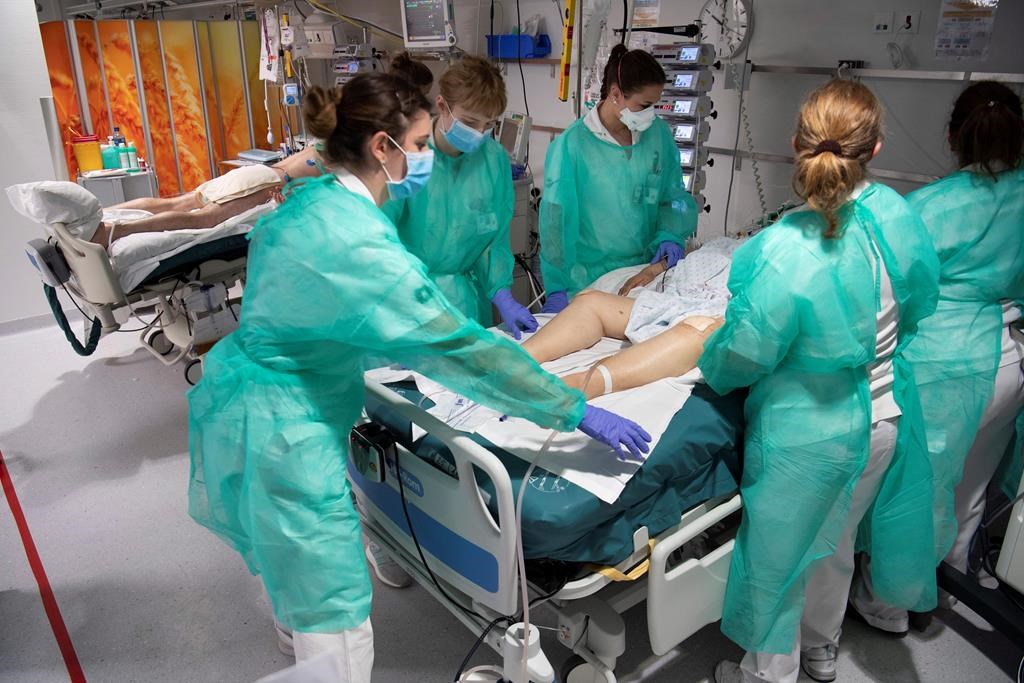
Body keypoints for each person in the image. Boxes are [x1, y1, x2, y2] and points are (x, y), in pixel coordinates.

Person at [186, 73, 651, 681]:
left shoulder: (319, 201)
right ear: (384, 146)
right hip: (286, 434)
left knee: (297, 576)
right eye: (424, 142)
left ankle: (294, 631)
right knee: (338, 620)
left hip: (262, 404)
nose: (430, 156)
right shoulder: (356, 243)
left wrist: (496, 300)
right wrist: (572, 409)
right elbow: (460, 350)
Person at [706, 80, 940, 683]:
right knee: (834, 545)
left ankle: (767, 672)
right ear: (876, 148)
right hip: (880, 420)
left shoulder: (784, 248)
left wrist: (710, 363)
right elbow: (919, 302)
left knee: (777, 558)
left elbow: (745, 354)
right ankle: (820, 647)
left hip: (804, 436)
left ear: (796, 145)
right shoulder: (898, 218)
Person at [849, 81, 1024, 633]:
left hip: (941, 365)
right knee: (970, 486)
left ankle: (887, 605)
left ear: (952, 137)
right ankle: (948, 582)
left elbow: (888, 289)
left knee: (914, 490)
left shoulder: (927, 207)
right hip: (1006, 359)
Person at [382, 56, 537, 337]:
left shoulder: (493, 161)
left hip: (465, 305)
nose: (479, 135)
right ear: (442, 106)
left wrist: (502, 295)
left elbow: (494, 240)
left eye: (489, 124)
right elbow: (378, 239)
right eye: (470, 122)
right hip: (404, 304)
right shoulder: (404, 153)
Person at [538, 44, 697, 315]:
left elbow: (672, 196)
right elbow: (556, 224)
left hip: (643, 273)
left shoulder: (657, 134)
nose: (651, 114)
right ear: (615, 94)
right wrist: (557, 286)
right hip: (589, 280)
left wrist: (670, 236)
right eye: (644, 105)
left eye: (655, 105)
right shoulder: (572, 146)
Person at [521, 237, 741, 397]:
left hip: (716, 311)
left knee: (698, 328)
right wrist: (654, 269)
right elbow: (684, 256)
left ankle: (577, 388)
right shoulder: (721, 243)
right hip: (676, 297)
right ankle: (513, 361)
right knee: (591, 301)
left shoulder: (768, 259)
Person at [89, 145, 323, 247]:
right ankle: (112, 231)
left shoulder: (322, 144)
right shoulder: (345, 157)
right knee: (203, 220)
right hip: (266, 183)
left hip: (253, 173)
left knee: (177, 203)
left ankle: (101, 214)